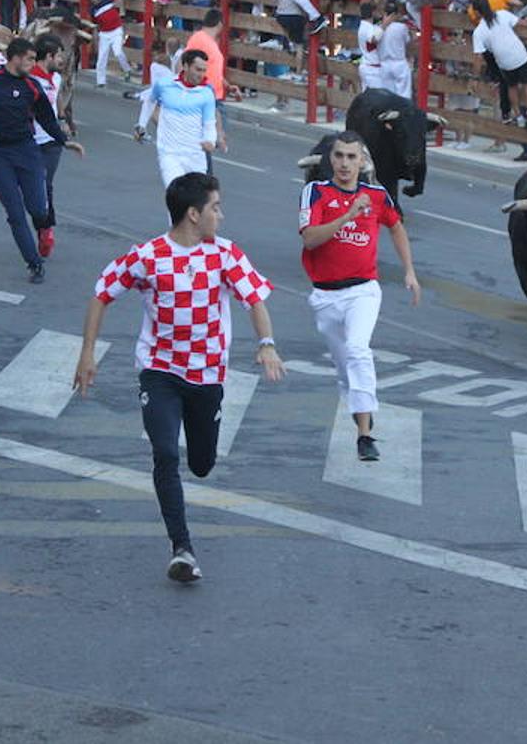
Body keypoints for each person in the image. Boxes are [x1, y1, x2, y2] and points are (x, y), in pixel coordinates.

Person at [74, 172, 284, 583]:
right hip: (160, 372)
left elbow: (254, 299)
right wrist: (87, 352)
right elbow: (101, 293)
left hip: (207, 376)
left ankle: (198, 463)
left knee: (201, 464)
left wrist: (268, 343)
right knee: (165, 454)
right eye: (215, 208)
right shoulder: (147, 257)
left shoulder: (225, 255)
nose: (221, 216)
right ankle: (182, 549)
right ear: (193, 214)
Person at [299, 132, 420, 462]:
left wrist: (409, 270)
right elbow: (310, 239)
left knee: (358, 350)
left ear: (362, 162)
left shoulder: (377, 196)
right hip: (325, 296)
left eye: (352, 157)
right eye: (339, 156)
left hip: (363, 291)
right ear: (331, 160)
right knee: (344, 371)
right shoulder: (315, 192)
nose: (344, 164)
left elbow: (396, 227)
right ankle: (362, 411)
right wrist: (348, 216)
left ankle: (365, 436)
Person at [0, 37, 70, 283]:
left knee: (37, 208)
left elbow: (46, 118)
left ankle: (43, 228)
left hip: (26, 151)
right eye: (30, 59)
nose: (33, 63)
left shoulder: (32, 86)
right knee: (15, 212)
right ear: (16, 58)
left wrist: (64, 140)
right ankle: (34, 264)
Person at [29, 34, 86, 257]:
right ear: (48, 56)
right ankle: (41, 224)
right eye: (59, 56)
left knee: (45, 184)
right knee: (33, 189)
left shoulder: (57, 78)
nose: (62, 60)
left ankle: (46, 228)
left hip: (51, 141)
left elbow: (59, 102)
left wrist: (64, 123)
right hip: (30, 140)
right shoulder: (29, 80)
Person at [469, 0, 527, 162]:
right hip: (519, 54)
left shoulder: (479, 31)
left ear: (477, 13)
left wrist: (475, 77)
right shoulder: (502, 14)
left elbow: (477, 58)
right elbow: (522, 23)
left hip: (503, 61)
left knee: (511, 87)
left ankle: (518, 114)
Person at [135, 48, 218, 190]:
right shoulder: (164, 84)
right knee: (176, 194)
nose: (202, 75)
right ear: (185, 66)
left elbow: (209, 124)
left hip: (195, 155)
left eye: (204, 70)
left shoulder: (207, 93)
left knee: (195, 202)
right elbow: (150, 101)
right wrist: (141, 125)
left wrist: (210, 140)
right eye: (198, 70)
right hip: (169, 153)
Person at [184, 9, 238, 151]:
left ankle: (202, 169)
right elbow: (186, 63)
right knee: (209, 140)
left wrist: (227, 85)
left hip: (214, 96)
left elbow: (213, 69)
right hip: (205, 96)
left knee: (210, 141)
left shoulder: (208, 41)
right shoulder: (200, 39)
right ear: (220, 24)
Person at [91, 0, 135, 86]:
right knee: (101, 58)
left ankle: (127, 70)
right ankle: (100, 81)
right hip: (104, 34)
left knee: (118, 52)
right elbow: (95, 24)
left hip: (116, 30)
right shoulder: (92, 10)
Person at [376, 1, 414, 100]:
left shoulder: (379, 27)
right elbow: (408, 41)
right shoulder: (402, 27)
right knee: (404, 95)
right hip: (399, 62)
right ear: (396, 14)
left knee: (387, 96)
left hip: (384, 64)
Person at [356, 1, 384, 92]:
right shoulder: (368, 27)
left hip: (368, 66)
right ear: (372, 12)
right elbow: (373, 39)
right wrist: (384, 25)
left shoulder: (365, 25)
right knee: (377, 100)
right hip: (372, 69)